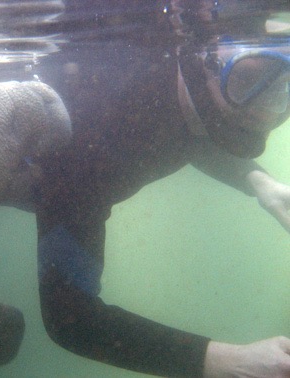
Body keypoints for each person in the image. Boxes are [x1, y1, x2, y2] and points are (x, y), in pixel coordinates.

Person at [32, 1, 290, 376]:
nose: (264, 114)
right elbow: (69, 318)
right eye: (246, 82)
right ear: (203, 62)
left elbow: (193, 129)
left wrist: (261, 184)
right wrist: (221, 362)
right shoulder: (97, 137)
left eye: (283, 89)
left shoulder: (184, 95)